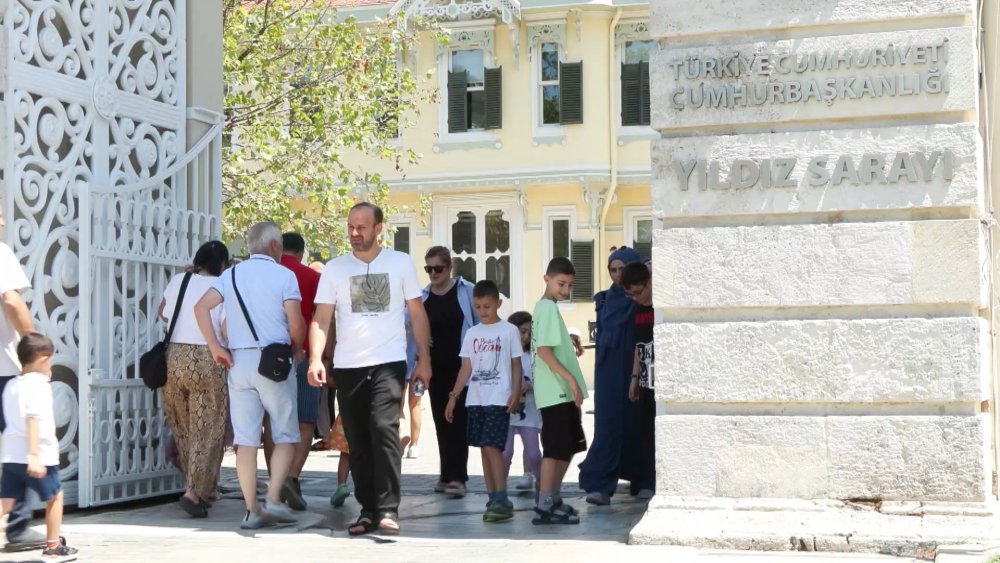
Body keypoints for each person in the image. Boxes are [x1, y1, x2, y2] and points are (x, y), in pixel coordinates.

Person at [308, 202, 431, 536]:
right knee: (358, 440)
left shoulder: (400, 263)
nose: (354, 233)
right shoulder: (335, 269)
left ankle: (388, 508)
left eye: (361, 227)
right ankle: (367, 510)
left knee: (384, 428)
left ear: (379, 228)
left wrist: (425, 360)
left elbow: (417, 314)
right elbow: (321, 318)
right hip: (348, 366)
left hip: (389, 362)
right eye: (350, 226)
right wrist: (316, 358)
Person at [194, 221, 305, 530]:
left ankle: (251, 509)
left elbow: (201, 308)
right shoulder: (285, 275)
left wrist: (216, 346)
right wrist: (297, 349)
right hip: (273, 362)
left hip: (238, 361)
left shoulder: (231, 274)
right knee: (284, 433)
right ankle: (271, 499)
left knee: (245, 440)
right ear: (274, 246)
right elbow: (295, 323)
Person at [158, 240, 230, 518]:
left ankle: (203, 488)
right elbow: (225, 327)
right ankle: (194, 491)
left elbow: (162, 312)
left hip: (175, 358)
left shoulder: (180, 280)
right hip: (207, 359)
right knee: (208, 427)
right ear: (223, 264)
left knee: (184, 427)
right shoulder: (221, 287)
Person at [445, 281, 521, 522]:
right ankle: (492, 496)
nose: (483, 311)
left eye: (487, 306)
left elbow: (516, 364)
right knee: (483, 449)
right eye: (478, 307)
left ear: (498, 303)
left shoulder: (509, 331)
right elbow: (466, 367)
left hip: (499, 398)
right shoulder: (472, 333)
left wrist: (516, 393)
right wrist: (454, 397)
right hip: (475, 399)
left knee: (492, 446)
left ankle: (501, 497)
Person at [1, 333, 78, 561]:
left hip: (12, 454)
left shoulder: (11, 385)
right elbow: (33, 419)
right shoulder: (39, 386)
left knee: (5, 502)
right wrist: (34, 455)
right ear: (43, 359)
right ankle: (53, 548)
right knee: (55, 497)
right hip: (38, 454)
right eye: (50, 359)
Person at [408, 246, 477, 497]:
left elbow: (481, 324)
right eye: (429, 269)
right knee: (440, 420)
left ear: (450, 268)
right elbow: (413, 328)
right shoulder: (423, 297)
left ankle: (459, 477)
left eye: (438, 268)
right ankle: (446, 474)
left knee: (458, 419)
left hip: (461, 367)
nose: (433, 273)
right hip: (433, 367)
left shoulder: (467, 292)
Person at [577, 246, 643, 506]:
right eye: (612, 269)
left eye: (622, 269)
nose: (617, 275)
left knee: (637, 421)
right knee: (607, 424)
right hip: (607, 368)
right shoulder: (603, 299)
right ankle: (600, 485)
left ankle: (643, 479)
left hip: (634, 364)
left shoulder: (641, 296)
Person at [0, 206, 48, 553]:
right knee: (17, 446)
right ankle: (17, 528)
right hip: (3, 367)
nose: (3, 222)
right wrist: (32, 343)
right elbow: (11, 299)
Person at [532, 257, 588, 525]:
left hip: (560, 393)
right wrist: (571, 380)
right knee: (554, 450)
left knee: (567, 446)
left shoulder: (548, 308)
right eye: (561, 284)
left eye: (569, 285)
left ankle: (552, 498)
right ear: (547, 279)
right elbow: (543, 351)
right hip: (555, 393)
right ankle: (544, 504)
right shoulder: (546, 309)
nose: (565, 291)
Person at [275, 232, 321, 511]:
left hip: (271, 356)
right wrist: (325, 355)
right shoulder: (312, 277)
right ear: (302, 252)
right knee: (305, 419)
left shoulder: (270, 273)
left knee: (274, 421)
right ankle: (292, 476)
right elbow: (321, 317)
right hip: (303, 351)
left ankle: (275, 479)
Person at [622, 262, 655, 498]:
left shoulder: (662, 308)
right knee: (643, 430)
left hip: (662, 379)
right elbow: (638, 346)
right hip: (644, 378)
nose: (635, 298)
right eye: (630, 294)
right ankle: (644, 480)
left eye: (638, 292)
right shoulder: (637, 310)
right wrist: (634, 377)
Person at [502, 311, 542, 495]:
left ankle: (544, 488)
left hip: (530, 411)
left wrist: (530, 386)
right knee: (505, 453)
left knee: (534, 453)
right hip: (507, 411)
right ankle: (498, 492)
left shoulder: (533, 356)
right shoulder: (503, 355)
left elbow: (542, 379)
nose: (525, 336)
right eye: (522, 331)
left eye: (529, 333)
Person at [399, 312, 422, 459]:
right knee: (416, 405)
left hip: (400, 365)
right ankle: (415, 446)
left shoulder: (397, 314)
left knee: (397, 404)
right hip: (418, 365)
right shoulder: (418, 313)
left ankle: (401, 432)